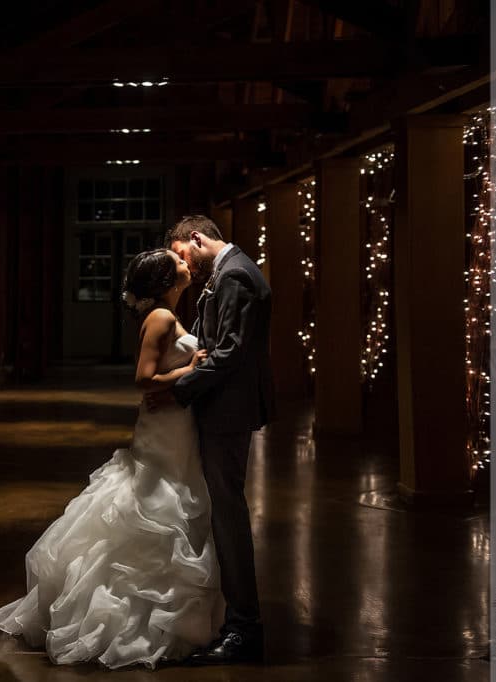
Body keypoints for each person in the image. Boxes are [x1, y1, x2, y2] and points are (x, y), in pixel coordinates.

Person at [0, 248, 225, 669]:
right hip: (164, 429)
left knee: (178, 498)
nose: (184, 263)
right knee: (158, 505)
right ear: (163, 281)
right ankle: (130, 620)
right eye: (176, 263)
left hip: (175, 424)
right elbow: (143, 378)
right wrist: (190, 369)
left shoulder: (169, 314)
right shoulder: (159, 318)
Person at [155, 214, 274, 665]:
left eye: (182, 254)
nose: (182, 265)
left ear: (197, 239)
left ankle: (245, 628)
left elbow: (228, 353)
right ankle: (234, 617)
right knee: (222, 512)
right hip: (222, 408)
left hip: (227, 413)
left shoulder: (237, 276)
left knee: (229, 516)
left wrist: (176, 389)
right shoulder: (231, 271)